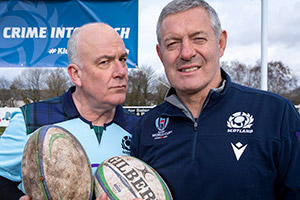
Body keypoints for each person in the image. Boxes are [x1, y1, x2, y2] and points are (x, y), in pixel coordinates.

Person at [131, 0, 300, 199]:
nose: (186, 53)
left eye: (198, 39)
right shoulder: (146, 127)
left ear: (220, 44)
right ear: (161, 54)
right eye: (173, 43)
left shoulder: (276, 114)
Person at [0, 22, 139, 200]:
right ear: (76, 74)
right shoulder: (30, 120)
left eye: (123, 59)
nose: (121, 71)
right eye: (105, 62)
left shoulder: (140, 129)